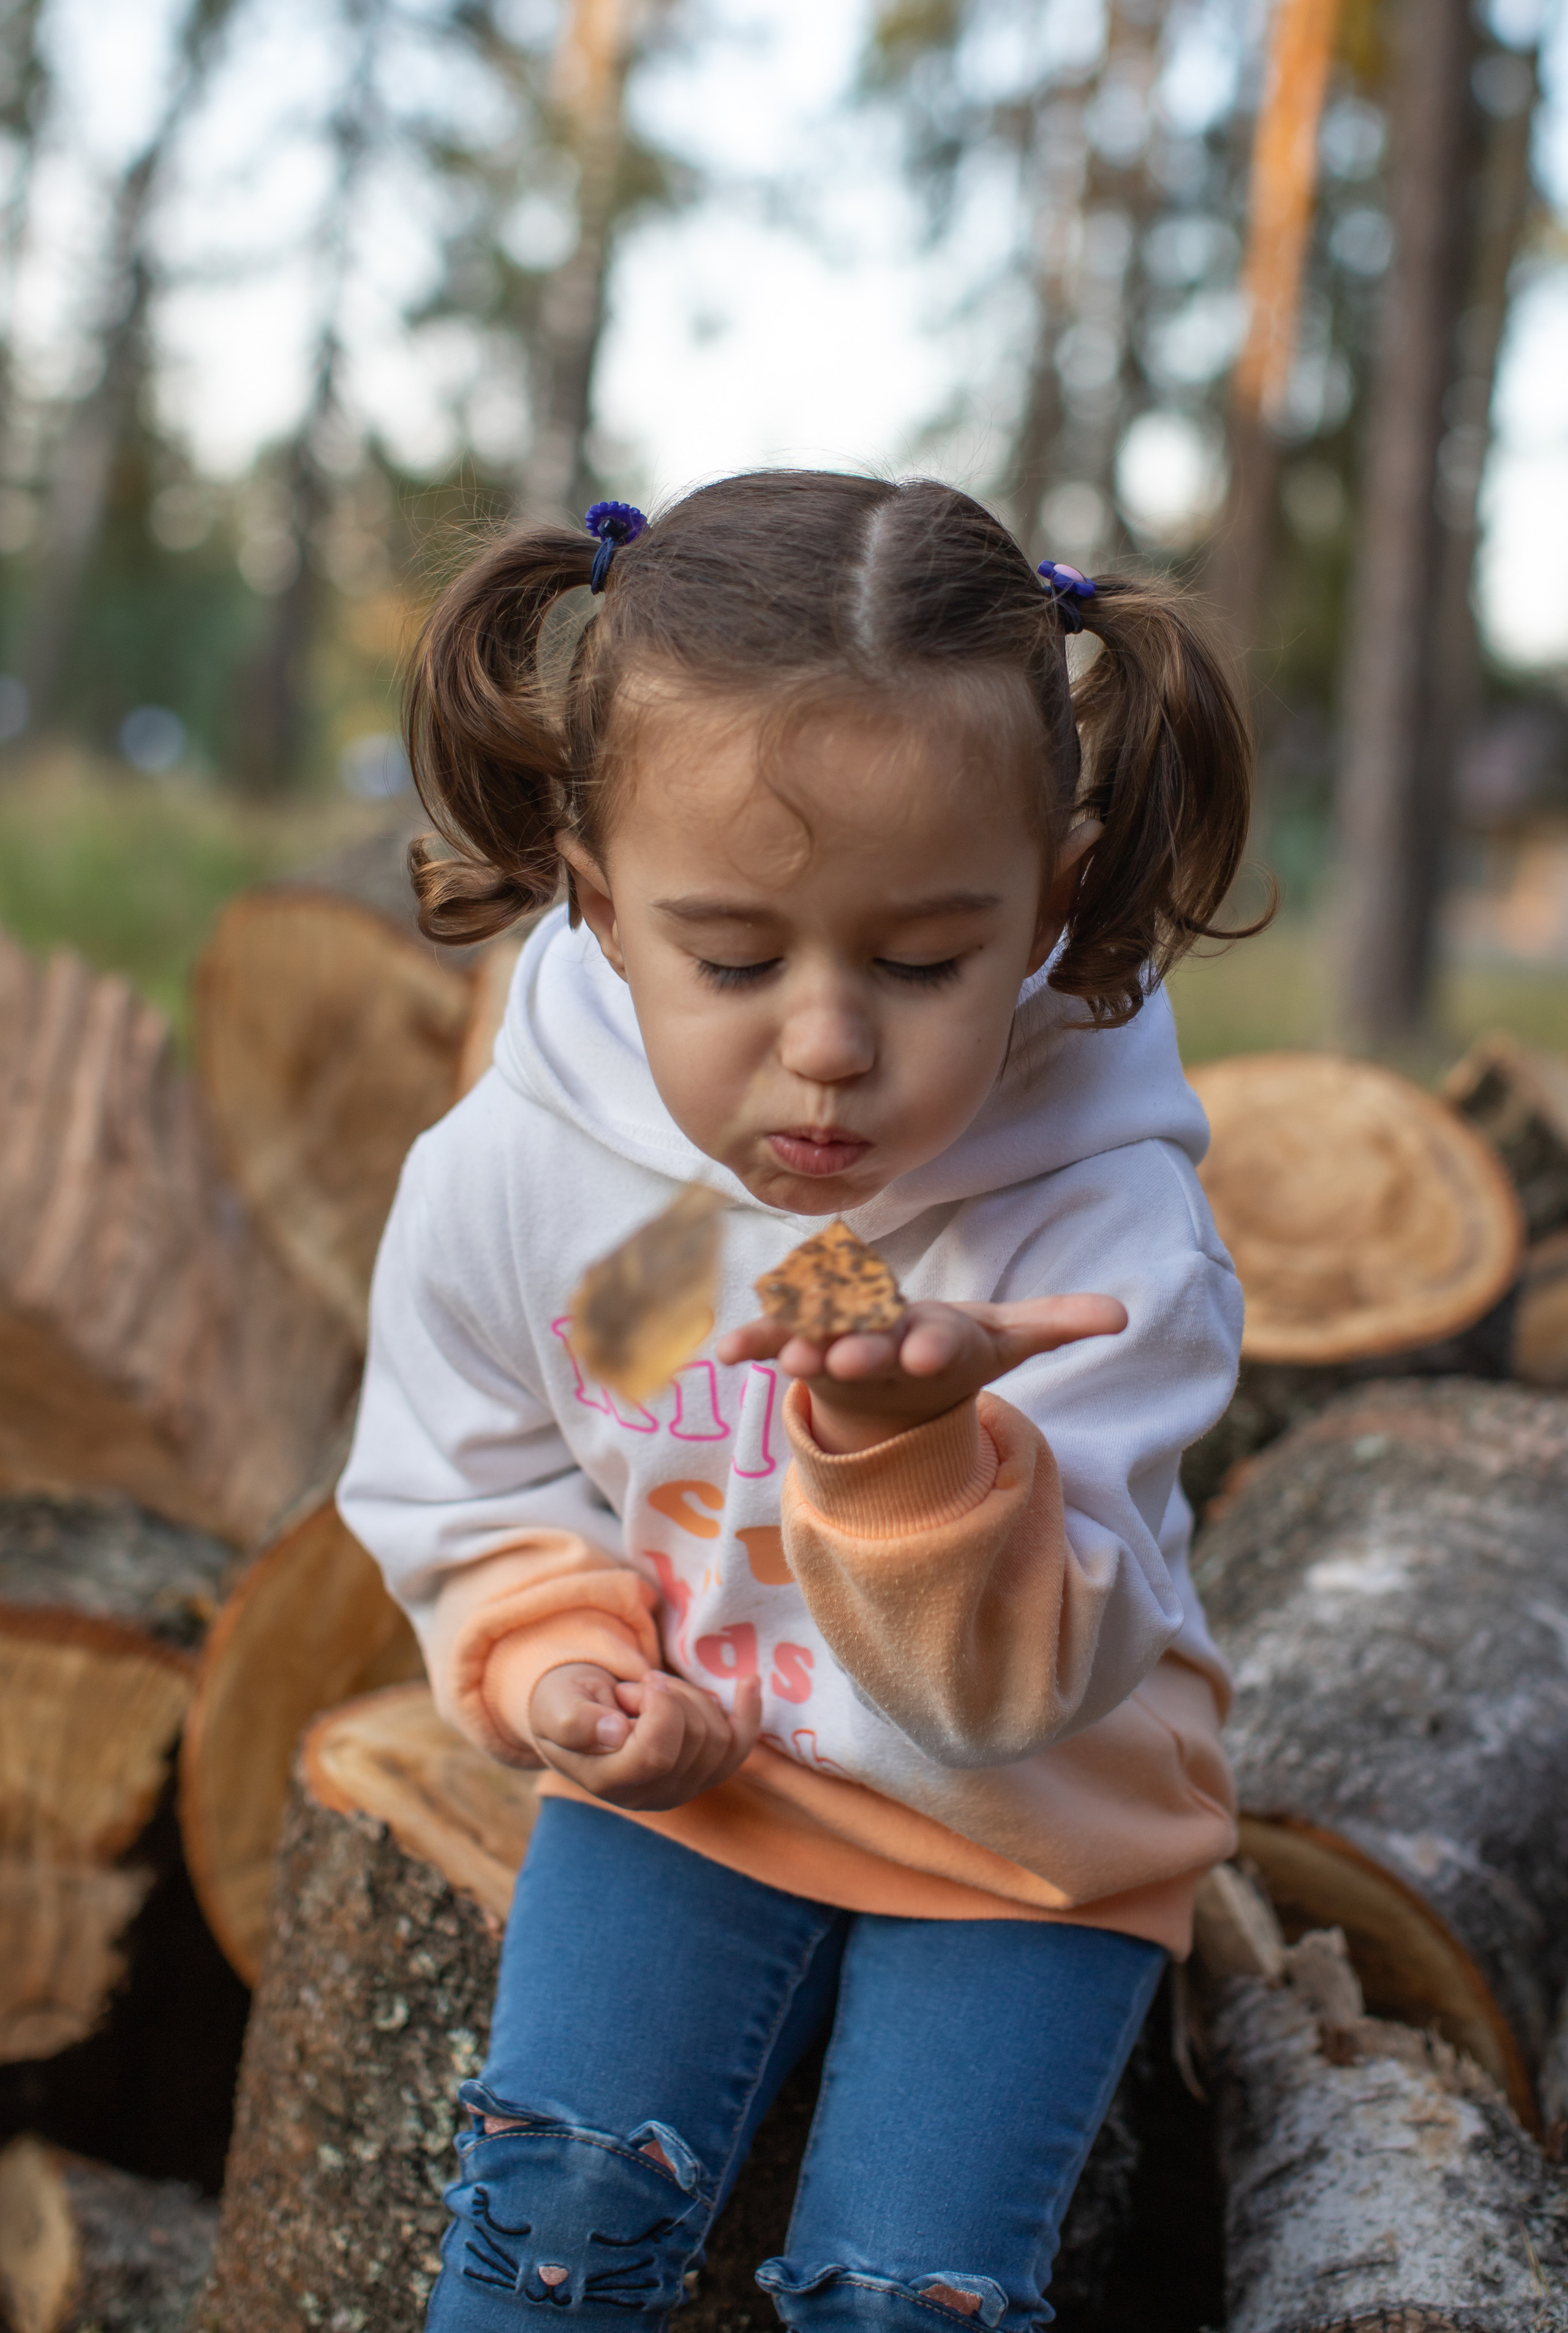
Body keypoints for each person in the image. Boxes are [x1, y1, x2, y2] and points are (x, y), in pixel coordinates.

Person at [338, 470, 1260, 2333]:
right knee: (551, 2217)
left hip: (1027, 1837)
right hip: (699, 1781)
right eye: (738, 960)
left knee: (901, 2293)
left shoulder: (1102, 1233)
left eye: (921, 964)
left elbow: (1009, 1698)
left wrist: (914, 1454)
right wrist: (557, 1662)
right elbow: (478, 1470)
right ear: (600, 904)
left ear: (1052, 900)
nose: (827, 1047)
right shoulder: (531, 1172)